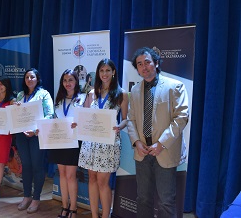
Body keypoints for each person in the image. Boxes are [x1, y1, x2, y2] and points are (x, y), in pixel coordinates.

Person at [126, 47, 189, 218]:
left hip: (164, 152)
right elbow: (130, 119)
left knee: (166, 202)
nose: (144, 67)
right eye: (139, 64)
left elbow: (181, 117)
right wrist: (136, 142)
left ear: (156, 63)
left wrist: (161, 143)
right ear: (137, 69)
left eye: (147, 62)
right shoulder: (135, 90)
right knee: (143, 199)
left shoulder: (174, 86)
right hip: (142, 154)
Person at [77, 59, 128, 218]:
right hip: (90, 142)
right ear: (98, 73)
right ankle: (94, 215)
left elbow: (126, 119)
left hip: (108, 143)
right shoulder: (92, 93)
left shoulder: (122, 94)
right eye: (101, 71)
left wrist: (120, 126)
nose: (104, 74)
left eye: (107, 70)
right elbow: (84, 116)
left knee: (102, 182)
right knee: (91, 179)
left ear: (113, 72)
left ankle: (105, 216)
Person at [15, 68, 54, 214]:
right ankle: (26, 196)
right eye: (26, 77)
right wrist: (15, 108)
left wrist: (36, 129)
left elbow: (50, 114)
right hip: (21, 135)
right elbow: (16, 115)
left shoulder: (44, 94)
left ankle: (36, 198)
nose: (29, 79)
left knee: (37, 166)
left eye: (32, 77)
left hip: (37, 135)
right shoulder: (20, 95)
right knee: (26, 166)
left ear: (37, 79)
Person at [49, 69, 86, 218]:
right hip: (59, 141)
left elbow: (86, 120)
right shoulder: (58, 100)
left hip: (74, 141)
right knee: (62, 175)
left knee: (71, 176)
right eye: (65, 80)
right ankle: (64, 207)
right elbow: (53, 119)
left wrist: (79, 123)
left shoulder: (83, 99)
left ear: (76, 81)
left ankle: (73, 208)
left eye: (70, 80)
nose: (67, 83)